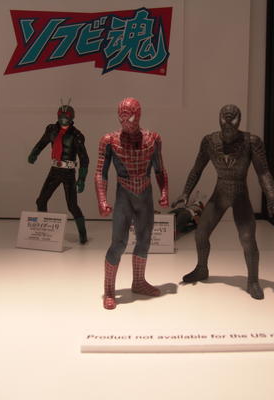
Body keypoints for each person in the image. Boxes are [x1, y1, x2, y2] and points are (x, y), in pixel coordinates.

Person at [172, 104, 274, 299]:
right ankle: (202, 268)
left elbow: (263, 172)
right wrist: (185, 193)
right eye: (225, 118)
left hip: (240, 194)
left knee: (247, 238)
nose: (229, 123)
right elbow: (197, 169)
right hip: (220, 193)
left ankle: (253, 281)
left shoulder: (251, 142)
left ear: (240, 120)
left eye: (233, 118)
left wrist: (272, 195)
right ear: (219, 119)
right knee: (201, 233)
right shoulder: (209, 141)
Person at [94, 97, 169, 309]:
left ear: (139, 115)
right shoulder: (109, 140)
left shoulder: (153, 139)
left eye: (130, 118)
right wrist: (102, 199)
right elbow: (100, 172)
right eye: (122, 118)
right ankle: (109, 290)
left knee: (144, 239)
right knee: (118, 243)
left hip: (145, 194)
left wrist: (164, 191)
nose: (126, 123)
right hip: (124, 195)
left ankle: (139, 281)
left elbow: (160, 169)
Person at [28, 100, 89, 244]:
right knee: (41, 200)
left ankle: (83, 234)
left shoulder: (76, 135)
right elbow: (42, 143)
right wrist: (34, 153)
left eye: (66, 116)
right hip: (55, 170)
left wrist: (81, 178)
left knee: (72, 206)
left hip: (68, 172)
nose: (63, 119)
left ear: (72, 117)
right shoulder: (51, 130)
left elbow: (84, 158)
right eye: (61, 116)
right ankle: (43, 231)